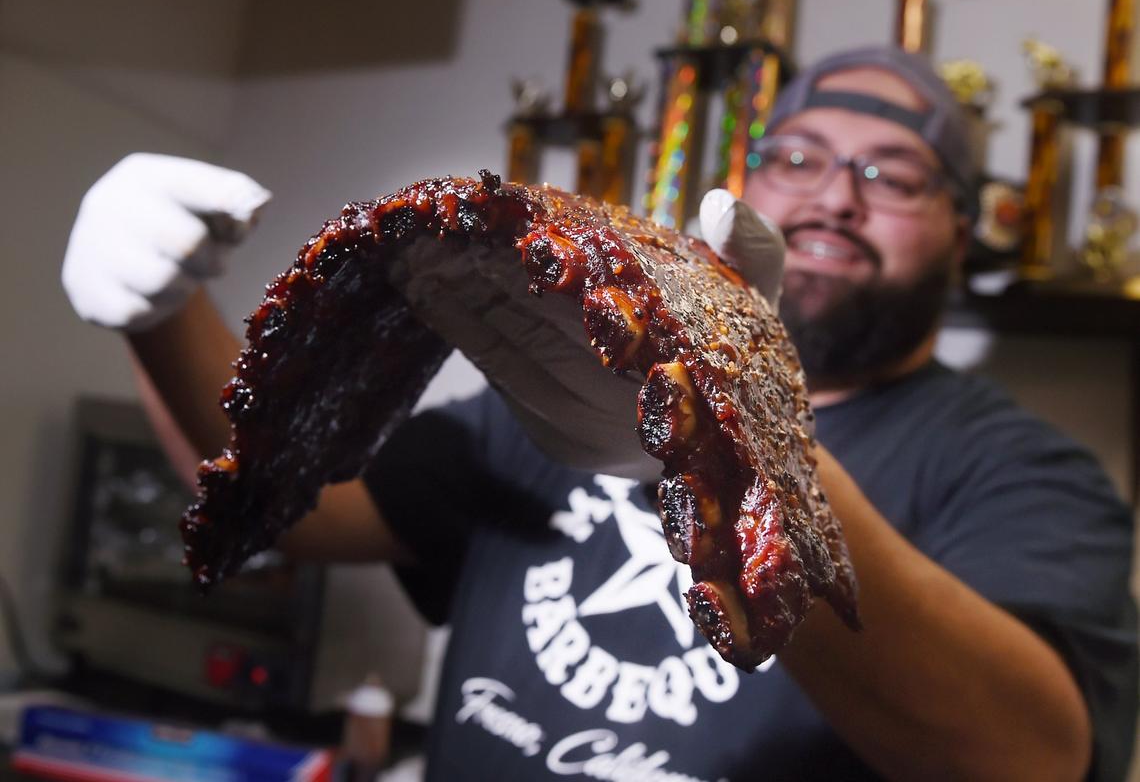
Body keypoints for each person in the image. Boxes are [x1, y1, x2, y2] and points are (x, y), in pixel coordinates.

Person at [62, 46, 1137, 781]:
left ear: (965, 229)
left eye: (894, 175)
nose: (834, 196)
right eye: (797, 158)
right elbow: (297, 508)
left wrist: (742, 449)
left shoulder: (1019, 470)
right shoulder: (567, 378)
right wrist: (160, 315)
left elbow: (1028, 759)